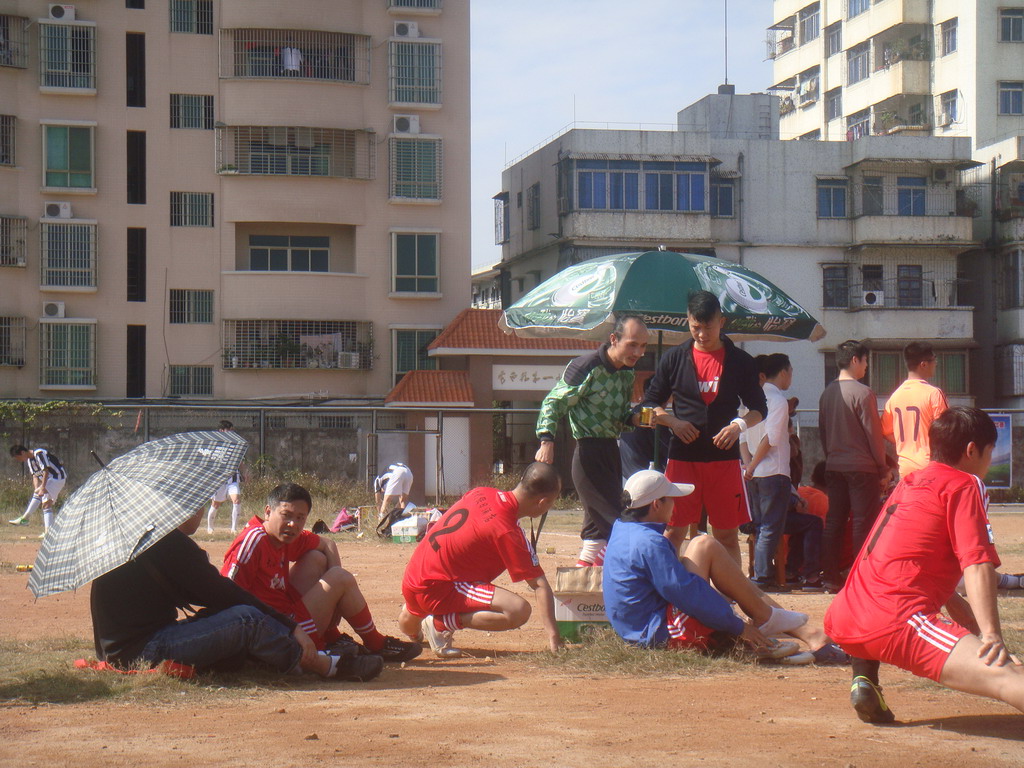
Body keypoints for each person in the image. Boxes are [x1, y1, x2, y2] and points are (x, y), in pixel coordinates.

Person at [825, 407, 1024, 724]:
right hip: (895, 620)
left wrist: (962, 613)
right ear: (972, 450)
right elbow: (976, 563)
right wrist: (991, 636)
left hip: (846, 615)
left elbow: (908, 560)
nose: (989, 461)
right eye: (990, 451)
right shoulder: (965, 483)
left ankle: (864, 678)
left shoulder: (911, 482)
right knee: (1005, 675)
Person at [90, 506, 383, 681]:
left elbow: (212, 594)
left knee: (230, 618)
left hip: (120, 649)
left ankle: (277, 654)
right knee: (246, 620)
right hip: (142, 651)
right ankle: (323, 665)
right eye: (198, 503)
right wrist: (290, 626)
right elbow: (224, 592)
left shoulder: (139, 541)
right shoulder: (167, 544)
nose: (201, 510)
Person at [603, 470, 848, 663]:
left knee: (704, 546)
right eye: (671, 499)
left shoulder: (623, 529)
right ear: (657, 504)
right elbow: (685, 594)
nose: (675, 505)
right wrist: (737, 626)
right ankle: (781, 625)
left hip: (641, 628)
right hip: (659, 633)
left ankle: (779, 623)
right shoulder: (650, 542)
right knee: (705, 546)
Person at [222, 482, 422, 663]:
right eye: (286, 515)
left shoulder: (283, 536)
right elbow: (227, 596)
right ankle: (375, 643)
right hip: (275, 629)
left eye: (300, 518)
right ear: (268, 512)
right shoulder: (254, 541)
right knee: (339, 578)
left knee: (316, 558)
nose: (293, 524)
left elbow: (328, 544)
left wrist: (334, 604)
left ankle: (330, 636)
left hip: (285, 616)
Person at [643, 291, 766, 563]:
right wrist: (673, 422)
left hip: (724, 460)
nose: (701, 334)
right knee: (673, 531)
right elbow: (648, 404)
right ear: (688, 321)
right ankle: (671, 586)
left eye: (707, 327)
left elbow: (760, 409)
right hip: (682, 458)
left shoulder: (740, 361)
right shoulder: (674, 358)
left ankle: (728, 589)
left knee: (726, 536)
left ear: (721, 322)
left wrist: (738, 425)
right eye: (695, 327)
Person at [399, 462, 563, 658]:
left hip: (414, 576)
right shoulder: (507, 530)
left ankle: (413, 622)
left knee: (409, 620)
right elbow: (539, 585)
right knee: (518, 610)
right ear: (543, 502)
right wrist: (554, 637)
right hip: (437, 588)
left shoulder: (482, 492)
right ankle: (439, 624)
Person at [535, 314, 649, 566]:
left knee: (596, 537)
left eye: (643, 346)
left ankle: (582, 588)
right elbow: (553, 402)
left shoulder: (626, 373)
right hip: (588, 455)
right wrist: (546, 440)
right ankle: (640, 578)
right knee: (619, 524)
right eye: (632, 344)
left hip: (612, 452)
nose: (638, 352)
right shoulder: (585, 366)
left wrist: (634, 419)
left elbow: (619, 416)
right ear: (613, 339)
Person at [818, 339, 891, 592]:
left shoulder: (827, 393)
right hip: (862, 468)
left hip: (834, 465)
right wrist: (883, 468)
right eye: (865, 360)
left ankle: (830, 577)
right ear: (854, 360)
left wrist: (832, 457)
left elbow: (823, 432)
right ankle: (860, 578)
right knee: (863, 522)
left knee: (834, 522)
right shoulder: (863, 393)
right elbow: (873, 436)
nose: (866, 366)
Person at [743, 353, 794, 589]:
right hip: (773, 470)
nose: (790, 377)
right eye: (790, 372)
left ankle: (761, 572)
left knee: (760, 525)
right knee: (770, 527)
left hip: (753, 473)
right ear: (783, 372)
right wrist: (753, 465)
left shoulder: (749, 400)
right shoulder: (778, 400)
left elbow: (742, 437)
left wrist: (748, 466)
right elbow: (771, 438)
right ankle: (763, 576)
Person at [881, 341, 949, 480]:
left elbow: (885, 431)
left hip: (905, 469)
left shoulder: (895, 396)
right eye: (934, 359)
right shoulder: (934, 394)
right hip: (930, 467)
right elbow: (947, 431)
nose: (936, 363)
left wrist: (906, 443)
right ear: (923, 364)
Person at [8, 444, 67, 533]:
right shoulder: (30, 461)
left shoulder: (39, 453)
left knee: (41, 500)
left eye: (18, 457)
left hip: (57, 478)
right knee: (46, 505)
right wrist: (37, 488)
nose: (19, 460)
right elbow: (35, 476)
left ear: (23, 452)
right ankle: (48, 532)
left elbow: (46, 471)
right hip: (49, 481)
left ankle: (25, 519)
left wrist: (42, 487)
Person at [207, 420, 246, 534]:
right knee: (215, 504)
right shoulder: (215, 445)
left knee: (236, 500)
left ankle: (234, 528)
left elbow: (240, 461)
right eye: (229, 430)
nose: (231, 432)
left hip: (233, 479)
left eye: (232, 430)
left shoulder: (235, 445)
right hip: (219, 480)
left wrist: (245, 472)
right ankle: (210, 527)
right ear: (221, 431)